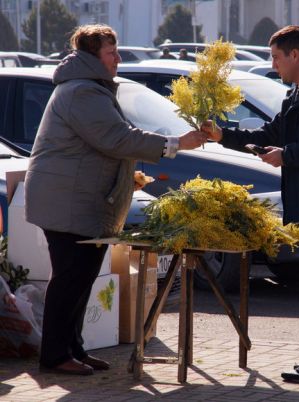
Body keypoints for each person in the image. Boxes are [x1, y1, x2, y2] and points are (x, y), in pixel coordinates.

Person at [25, 24, 207, 376]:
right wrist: (175, 144)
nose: (118, 59)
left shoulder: (87, 87)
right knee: (70, 278)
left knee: (83, 276)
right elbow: (116, 139)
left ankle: (73, 348)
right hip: (67, 202)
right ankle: (54, 355)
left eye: (117, 51)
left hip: (79, 200)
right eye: (112, 53)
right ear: (93, 56)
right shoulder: (82, 92)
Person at [201, 25, 299, 385]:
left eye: (275, 57)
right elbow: (273, 133)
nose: (272, 64)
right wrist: (223, 135)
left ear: (295, 55)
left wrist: (287, 156)